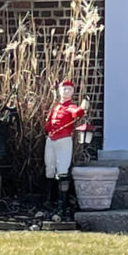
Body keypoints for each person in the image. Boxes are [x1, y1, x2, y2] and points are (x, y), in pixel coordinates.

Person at [44, 79, 87, 216]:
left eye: (69, 89)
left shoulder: (70, 107)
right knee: (49, 167)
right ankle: (48, 200)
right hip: (51, 139)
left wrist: (83, 107)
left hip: (63, 140)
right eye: (64, 89)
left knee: (62, 169)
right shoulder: (56, 106)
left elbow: (77, 113)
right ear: (59, 91)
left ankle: (61, 204)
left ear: (73, 92)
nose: (66, 91)